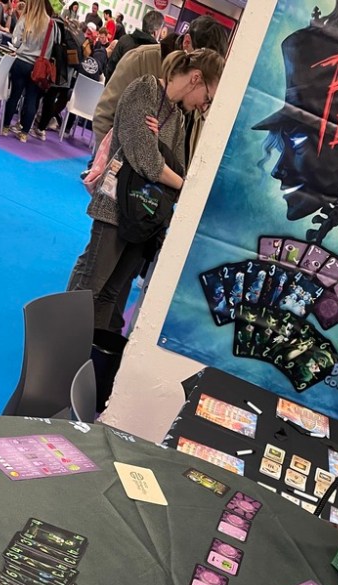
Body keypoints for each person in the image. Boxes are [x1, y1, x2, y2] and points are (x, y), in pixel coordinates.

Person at [68, 48, 224, 407]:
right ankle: (61, 355)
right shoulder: (143, 90)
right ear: (196, 78)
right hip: (115, 206)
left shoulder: (178, 117)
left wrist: (159, 152)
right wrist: (181, 182)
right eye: (207, 96)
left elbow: (169, 164)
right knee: (90, 286)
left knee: (111, 294)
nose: (204, 105)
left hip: (144, 218)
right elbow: (148, 162)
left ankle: (85, 367)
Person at [94, 15, 228, 156]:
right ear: (187, 42)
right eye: (202, 60)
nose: (200, 76)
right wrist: (109, 161)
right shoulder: (142, 59)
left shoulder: (205, 87)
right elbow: (106, 115)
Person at [1, 0, 54, 142]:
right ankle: (24, 133)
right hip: (37, 66)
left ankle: (5, 127)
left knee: (14, 95)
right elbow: (49, 49)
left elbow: (16, 41)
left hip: (20, 61)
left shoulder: (26, 18)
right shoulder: (50, 23)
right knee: (32, 99)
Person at [104, 9, 164, 81]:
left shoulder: (124, 40)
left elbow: (110, 69)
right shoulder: (157, 55)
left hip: (114, 86)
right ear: (156, 32)